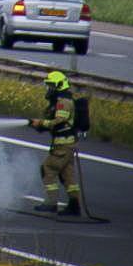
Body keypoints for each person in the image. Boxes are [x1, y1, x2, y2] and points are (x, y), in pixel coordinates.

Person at [29, 70, 81, 215]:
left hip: (63, 145)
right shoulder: (62, 100)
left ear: (58, 85)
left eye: (50, 86)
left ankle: (51, 203)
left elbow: (58, 122)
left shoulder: (63, 102)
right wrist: (39, 125)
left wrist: (40, 123)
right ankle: (74, 206)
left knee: (47, 169)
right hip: (68, 144)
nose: (48, 89)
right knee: (67, 175)